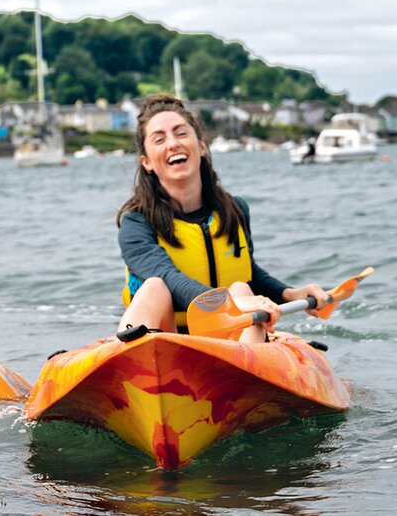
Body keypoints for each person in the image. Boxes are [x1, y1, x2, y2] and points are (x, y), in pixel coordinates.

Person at [116, 95, 329, 343]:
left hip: (228, 342)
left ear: (202, 146)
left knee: (241, 286)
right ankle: (134, 366)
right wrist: (227, 303)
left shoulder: (234, 209)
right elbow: (168, 277)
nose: (173, 144)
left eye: (181, 133)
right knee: (154, 287)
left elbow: (250, 273)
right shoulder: (135, 223)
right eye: (160, 139)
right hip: (167, 340)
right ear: (147, 162)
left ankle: (247, 371)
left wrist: (291, 294)